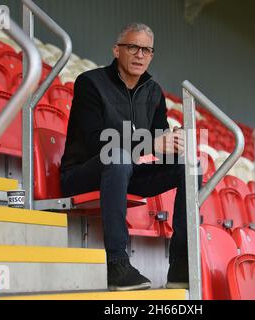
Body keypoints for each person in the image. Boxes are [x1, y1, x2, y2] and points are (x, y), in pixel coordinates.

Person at [60, 22, 201, 291]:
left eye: (146, 50)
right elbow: (94, 140)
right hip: (82, 173)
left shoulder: (153, 92)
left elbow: (160, 144)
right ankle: (117, 263)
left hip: (124, 172)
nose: (139, 55)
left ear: (151, 55)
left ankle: (181, 265)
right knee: (117, 157)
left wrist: (177, 144)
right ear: (117, 50)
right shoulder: (89, 82)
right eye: (133, 47)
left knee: (190, 167)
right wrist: (150, 142)